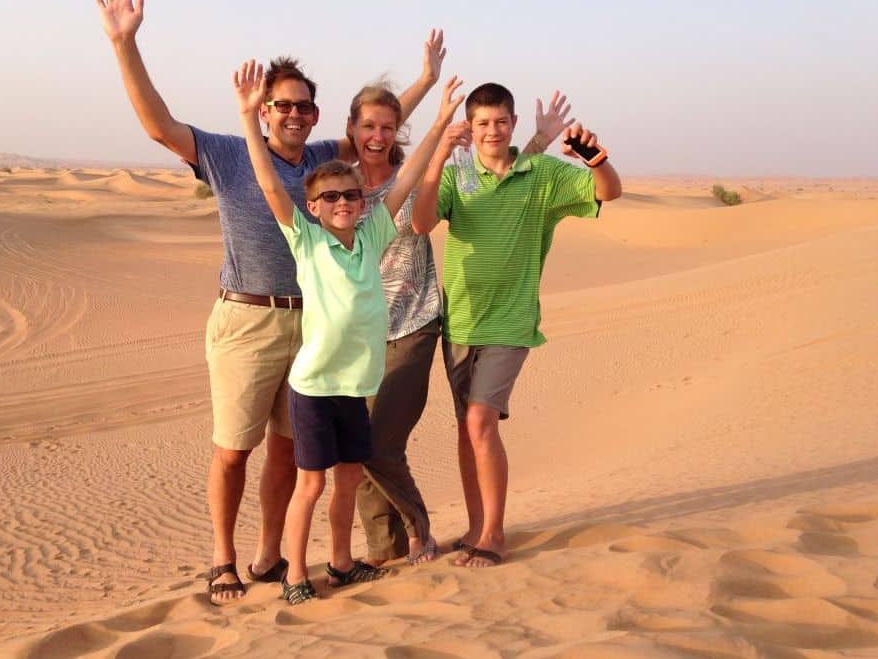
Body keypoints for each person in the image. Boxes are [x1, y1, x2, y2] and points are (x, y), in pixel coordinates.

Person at [92, 0, 446, 603]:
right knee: (233, 450)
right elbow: (157, 125)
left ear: (314, 114)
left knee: (290, 453)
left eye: (303, 106)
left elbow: (380, 130)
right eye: (282, 104)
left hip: (312, 329)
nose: (293, 114)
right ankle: (223, 559)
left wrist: (422, 84)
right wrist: (124, 45)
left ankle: (268, 556)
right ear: (263, 109)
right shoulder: (229, 152)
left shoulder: (322, 161)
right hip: (248, 319)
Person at [232, 58, 464, 603]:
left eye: (350, 197)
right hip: (314, 387)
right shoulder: (307, 242)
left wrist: (439, 121)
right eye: (330, 198)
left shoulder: (373, 232)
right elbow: (269, 184)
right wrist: (248, 118)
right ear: (312, 207)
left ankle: (340, 564)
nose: (342, 204)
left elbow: (403, 179)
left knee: (348, 479)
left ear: (364, 205)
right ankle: (294, 573)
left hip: (355, 386)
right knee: (310, 484)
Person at [348, 87, 576, 566]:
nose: (377, 136)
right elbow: (478, 185)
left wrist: (541, 143)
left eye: (387, 129)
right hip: (397, 327)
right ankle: (406, 545)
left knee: (444, 429)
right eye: (368, 127)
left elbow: (504, 180)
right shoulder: (342, 183)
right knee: (406, 437)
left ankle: (459, 535)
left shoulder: (431, 172)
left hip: (427, 322)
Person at [411, 82, 621, 568]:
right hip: (459, 321)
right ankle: (473, 525)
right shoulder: (456, 176)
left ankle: (494, 534)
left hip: (511, 323)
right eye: (482, 123)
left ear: (513, 124)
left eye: (500, 122)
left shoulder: (542, 173)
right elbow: (421, 223)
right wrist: (439, 158)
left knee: (482, 421)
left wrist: (594, 159)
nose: (491, 131)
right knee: (467, 429)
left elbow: (609, 191)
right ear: (471, 125)